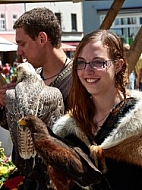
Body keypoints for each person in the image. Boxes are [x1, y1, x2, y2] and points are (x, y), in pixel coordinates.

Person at [52, 29, 142, 190]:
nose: (87, 70)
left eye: (98, 62)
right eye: (81, 62)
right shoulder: (67, 130)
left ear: (118, 65)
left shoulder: (139, 119)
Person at [0, 7, 72, 190]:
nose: (18, 52)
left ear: (42, 39)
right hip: (28, 180)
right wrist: (5, 105)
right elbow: (17, 131)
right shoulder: (24, 77)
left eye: (22, 44)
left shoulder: (78, 81)